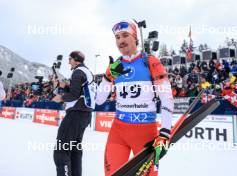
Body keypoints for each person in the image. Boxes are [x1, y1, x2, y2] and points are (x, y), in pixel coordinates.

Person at [96, 20, 174, 176]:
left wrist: (165, 132)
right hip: (118, 132)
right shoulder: (115, 66)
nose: (121, 41)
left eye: (125, 35)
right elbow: (99, 100)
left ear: (135, 38)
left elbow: (166, 97)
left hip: (145, 134)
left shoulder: (150, 61)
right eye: (117, 37)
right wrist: (107, 76)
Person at [52, 51, 95, 176]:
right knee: (75, 151)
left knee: (61, 150)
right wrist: (63, 86)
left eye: (70, 59)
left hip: (76, 114)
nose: (68, 62)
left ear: (76, 60)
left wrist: (61, 97)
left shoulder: (77, 72)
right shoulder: (87, 72)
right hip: (84, 114)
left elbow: (74, 95)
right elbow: (80, 91)